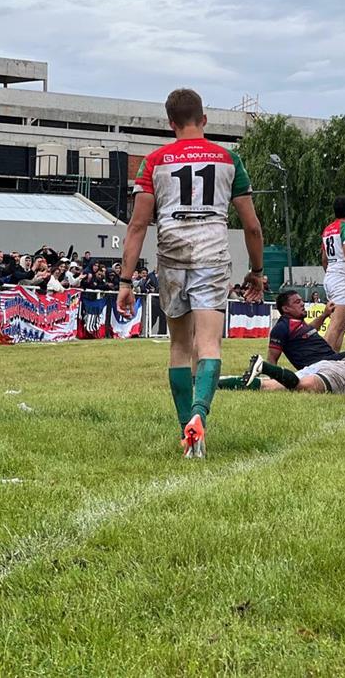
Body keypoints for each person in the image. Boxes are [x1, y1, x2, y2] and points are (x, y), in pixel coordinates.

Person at [117, 87, 265, 458]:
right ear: (204, 120)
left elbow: (137, 226)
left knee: (180, 347)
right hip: (212, 254)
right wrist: (257, 271)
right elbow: (252, 227)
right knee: (209, 345)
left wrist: (125, 281)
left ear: (170, 124)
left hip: (172, 254)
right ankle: (199, 414)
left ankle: (189, 432)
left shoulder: (153, 162)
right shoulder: (229, 159)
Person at [240, 324, 345, 394]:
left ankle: (220, 382)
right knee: (299, 386)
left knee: (269, 386)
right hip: (339, 375)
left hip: (327, 364)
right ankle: (263, 366)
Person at [320, 196, 345, 351]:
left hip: (331, 272)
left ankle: (333, 361)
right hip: (342, 275)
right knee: (336, 326)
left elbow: (324, 259)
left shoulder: (327, 230)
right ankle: (320, 362)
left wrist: (331, 273)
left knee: (342, 325)